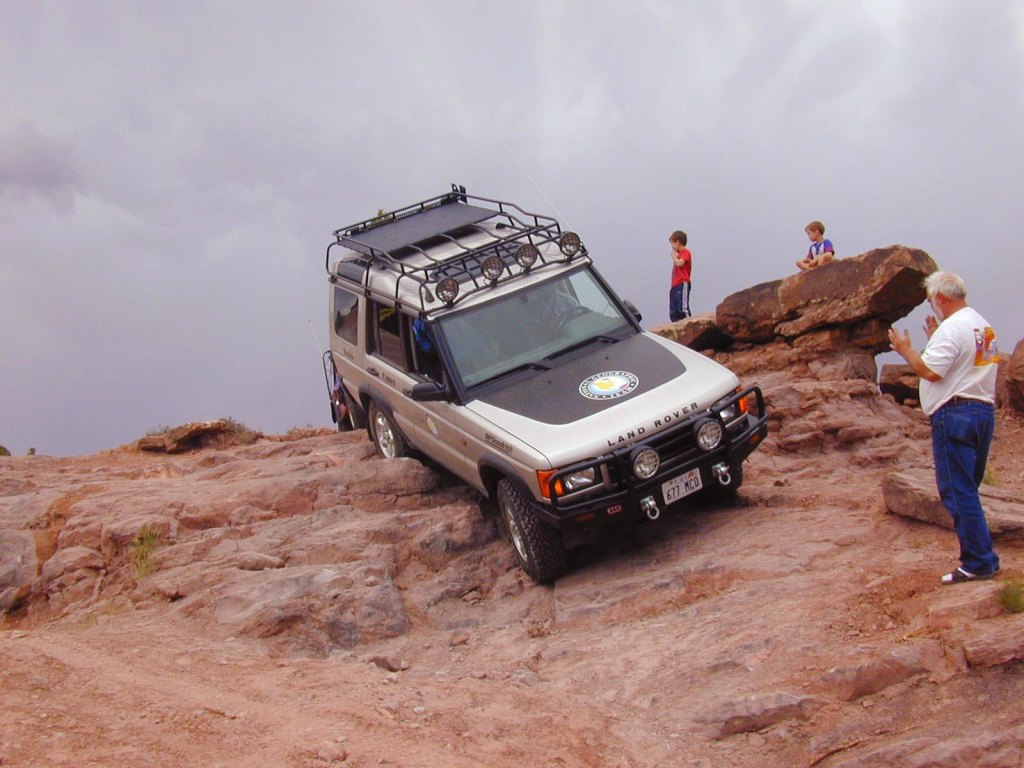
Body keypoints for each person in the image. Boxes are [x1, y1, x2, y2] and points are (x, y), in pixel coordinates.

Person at [887, 271, 1001, 585]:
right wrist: (936, 337)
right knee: (968, 489)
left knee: (958, 491)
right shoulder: (982, 325)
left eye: (930, 300)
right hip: (982, 411)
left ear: (940, 297)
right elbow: (968, 363)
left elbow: (930, 371)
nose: (931, 306)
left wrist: (905, 350)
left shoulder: (952, 328)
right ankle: (984, 557)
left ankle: (978, 562)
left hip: (955, 415)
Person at [668, 230, 692, 322]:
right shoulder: (679, 255)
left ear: (677, 242)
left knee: (682, 308)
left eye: (672, 244)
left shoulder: (685, 252)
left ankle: (688, 323)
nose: (672, 247)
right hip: (675, 284)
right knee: (674, 310)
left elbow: (680, 263)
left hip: (682, 283)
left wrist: (673, 256)